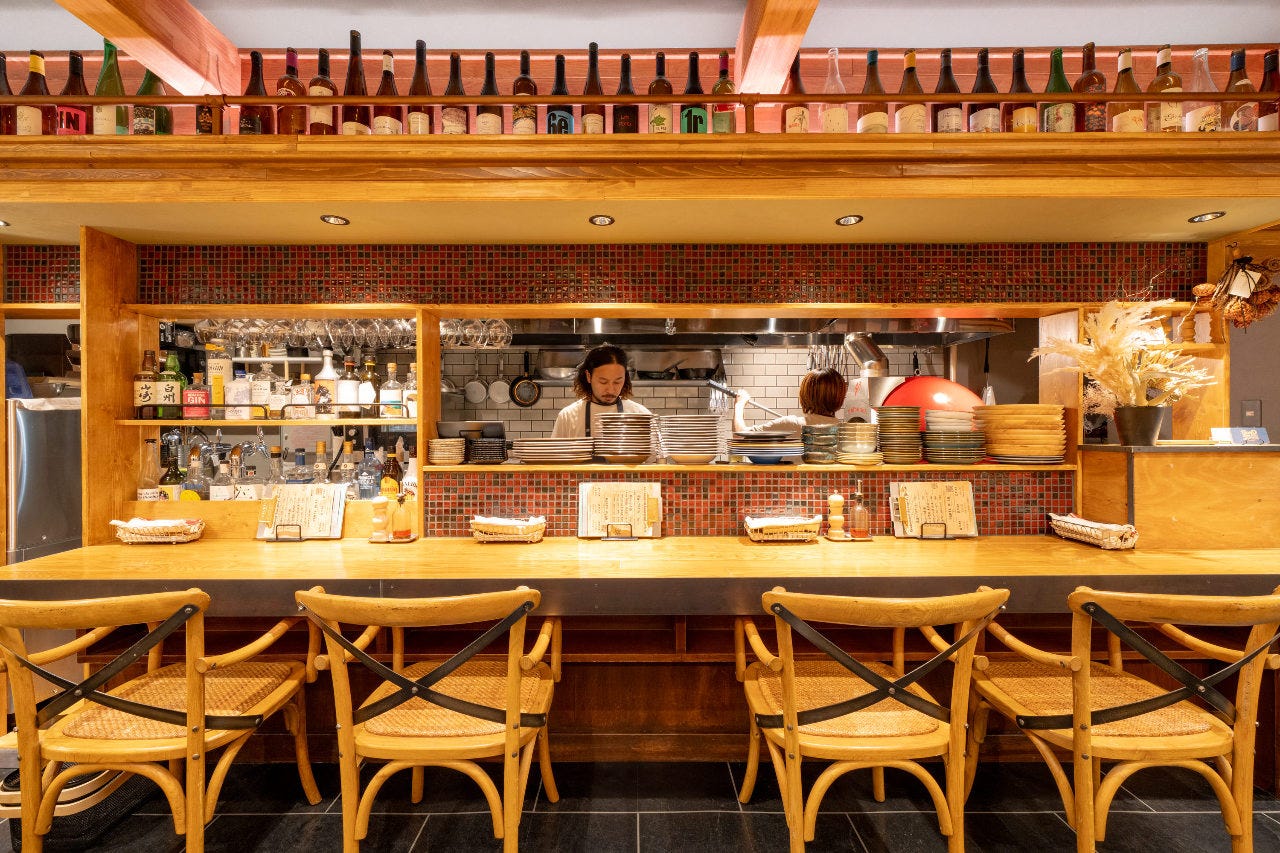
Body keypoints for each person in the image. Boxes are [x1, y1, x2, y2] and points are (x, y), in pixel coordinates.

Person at [551, 344, 652, 438]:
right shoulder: (567, 417)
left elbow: (655, 451)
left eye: (617, 382)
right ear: (589, 376)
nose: (611, 389)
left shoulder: (642, 416)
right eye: (603, 382)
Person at [734, 367, 847, 437]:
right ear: (840, 397)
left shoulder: (790, 424)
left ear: (805, 395)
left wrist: (740, 404)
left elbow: (740, 434)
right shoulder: (847, 432)